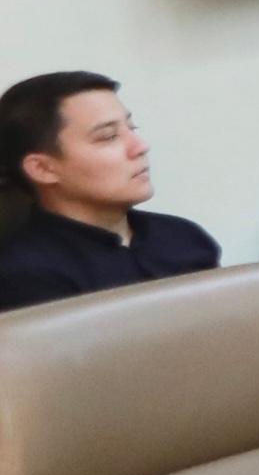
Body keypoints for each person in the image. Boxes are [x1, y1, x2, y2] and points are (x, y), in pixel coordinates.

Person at [0, 72, 218, 311]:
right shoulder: (27, 275)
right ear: (43, 168)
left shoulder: (182, 236)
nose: (140, 146)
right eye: (109, 137)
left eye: (132, 128)